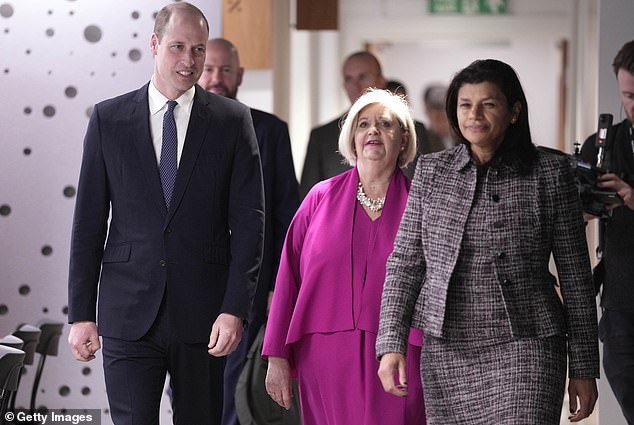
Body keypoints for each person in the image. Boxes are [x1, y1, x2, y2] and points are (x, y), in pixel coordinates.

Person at [67, 4, 265, 425]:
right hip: (127, 313)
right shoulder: (109, 119)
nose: (189, 61)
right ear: (154, 45)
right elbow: (88, 224)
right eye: (178, 47)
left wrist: (235, 308)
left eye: (197, 49)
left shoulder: (233, 121)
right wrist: (82, 314)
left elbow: (250, 224)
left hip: (206, 317)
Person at [376, 59, 599, 424]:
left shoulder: (550, 174)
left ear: (513, 112)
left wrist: (584, 366)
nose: (474, 115)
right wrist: (390, 344)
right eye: (465, 105)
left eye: (488, 104)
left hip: (527, 344)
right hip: (447, 349)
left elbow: (576, 276)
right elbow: (405, 264)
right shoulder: (432, 172)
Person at [263, 89, 425, 425]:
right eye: (363, 124)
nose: (373, 131)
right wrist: (276, 355)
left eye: (385, 124)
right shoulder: (318, 199)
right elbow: (287, 278)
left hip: (402, 352)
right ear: (352, 138)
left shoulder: (423, 204)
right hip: (324, 356)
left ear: (404, 138)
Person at [198, 37, 300, 425]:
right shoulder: (175, 129)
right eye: (209, 68)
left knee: (234, 383)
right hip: (192, 283)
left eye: (225, 70)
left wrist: (280, 283)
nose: (216, 78)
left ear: (240, 75)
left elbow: (285, 214)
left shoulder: (271, 131)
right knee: (189, 384)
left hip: (250, 285)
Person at [580, 39, 634, 425]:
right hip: (621, 300)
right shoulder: (603, 144)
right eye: (628, 95)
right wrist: (586, 207)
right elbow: (573, 218)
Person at [299, 51, 432, 198]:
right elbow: (307, 196)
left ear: (381, 81)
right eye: (349, 79)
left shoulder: (414, 130)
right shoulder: (321, 136)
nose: (356, 85)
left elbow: (426, 190)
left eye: (363, 77)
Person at [422, 83, 457, 150]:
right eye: (438, 118)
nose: (444, 123)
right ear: (427, 113)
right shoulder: (421, 142)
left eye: (447, 118)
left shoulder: (465, 138)